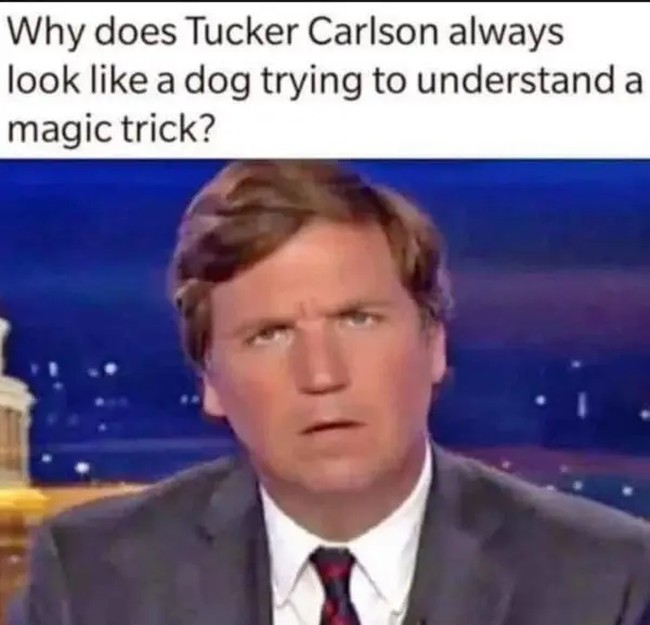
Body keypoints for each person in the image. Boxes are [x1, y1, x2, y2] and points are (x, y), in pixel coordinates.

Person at [9, 160, 650, 625]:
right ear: (210, 382)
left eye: (358, 320)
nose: (321, 374)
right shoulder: (91, 581)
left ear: (433, 344)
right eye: (269, 334)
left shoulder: (609, 582)